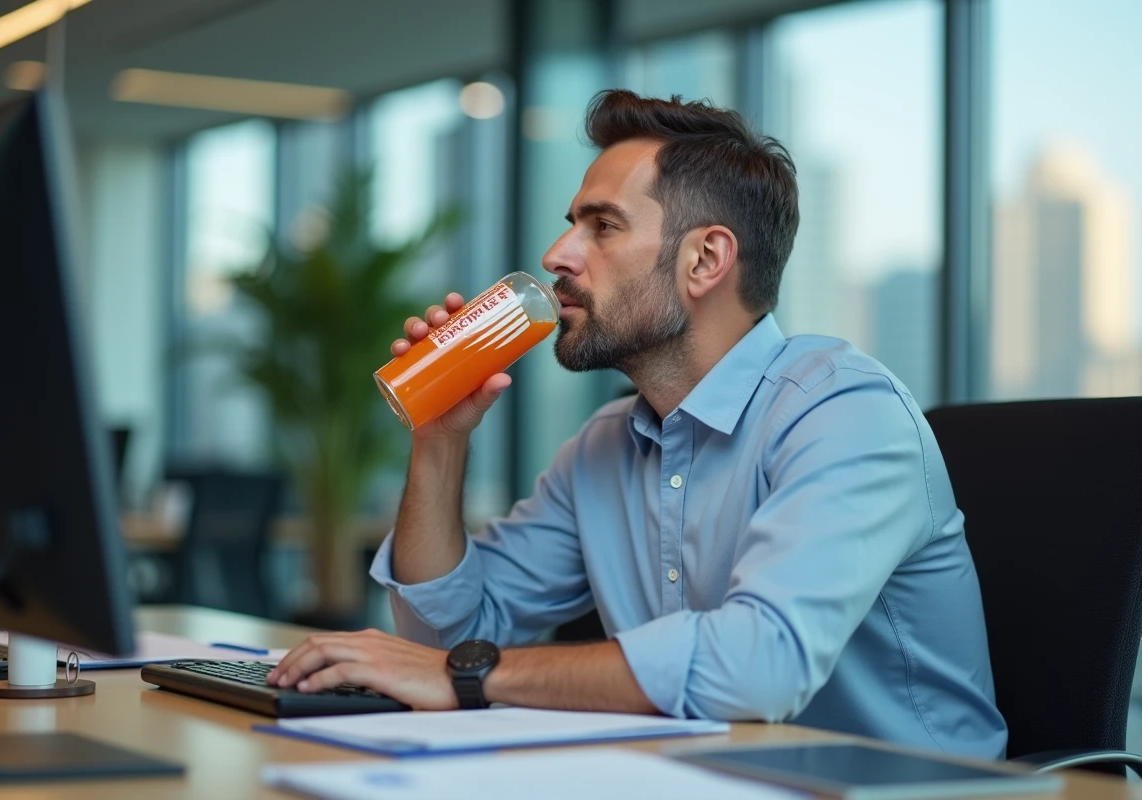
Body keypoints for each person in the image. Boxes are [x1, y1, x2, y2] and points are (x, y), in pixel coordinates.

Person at [269, 90, 1008, 759]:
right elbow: (446, 642)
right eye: (571, 227)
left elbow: (759, 667)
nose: (557, 256)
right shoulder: (603, 448)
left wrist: (468, 673)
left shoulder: (845, 412)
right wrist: (439, 441)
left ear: (706, 259)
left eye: (602, 227)